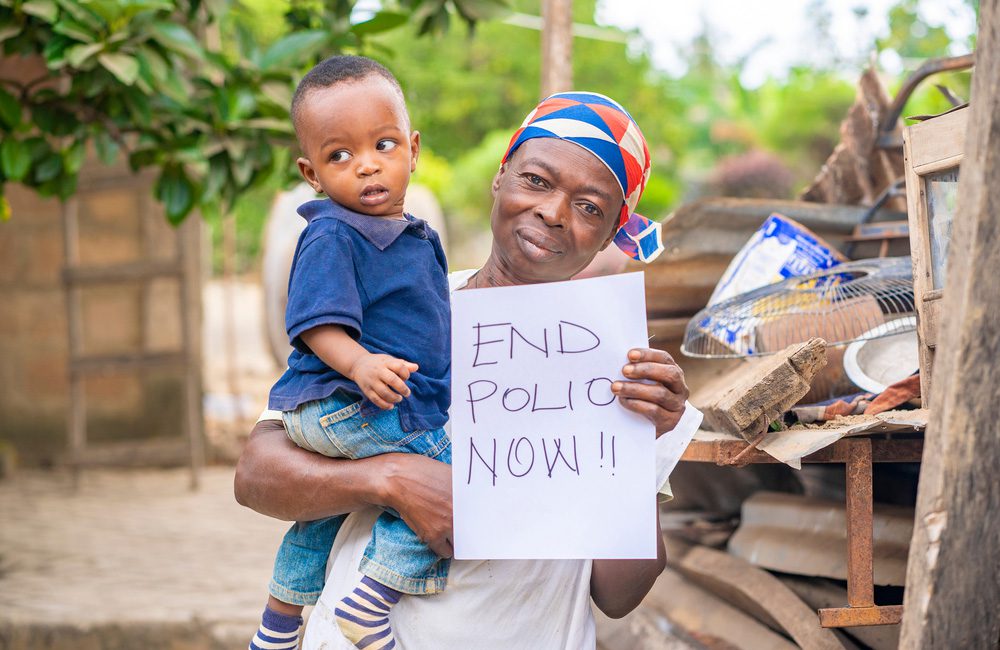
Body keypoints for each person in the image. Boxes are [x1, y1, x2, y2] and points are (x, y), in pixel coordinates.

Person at [236, 91, 695, 650]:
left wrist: (636, 449)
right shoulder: (393, 311)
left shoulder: (621, 373)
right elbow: (256, 475)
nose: (553, 212)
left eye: (590, 207)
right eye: (538, 181)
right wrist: (392, 480)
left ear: (609, 234)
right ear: (500, 179)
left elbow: (619, 594)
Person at [249, 55, 453, 650]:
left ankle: (278, 624)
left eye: (383, 144)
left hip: (340, 409)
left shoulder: (410, 234)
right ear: (312, 174)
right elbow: (313, 324)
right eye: (340, 155)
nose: (365, 164)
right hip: (346, 401)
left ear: (412, 148)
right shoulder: (332, 233)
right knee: (452, 473)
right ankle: (372, 600)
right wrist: (360, 364)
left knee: (322, 511)